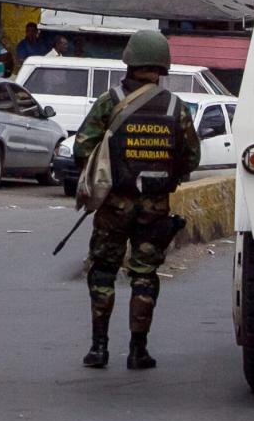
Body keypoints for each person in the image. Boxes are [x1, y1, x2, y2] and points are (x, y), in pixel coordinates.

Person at [70, 29, 200, 371]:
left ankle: (99, 348)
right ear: (162, 67)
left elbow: (81, 147)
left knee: (103, 271)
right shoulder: (175, 107)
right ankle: (138, 351)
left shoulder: (109, 101)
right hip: (154, 209)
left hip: (113, 206)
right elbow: (191, 158)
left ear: (129, 61)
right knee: (144, 275)